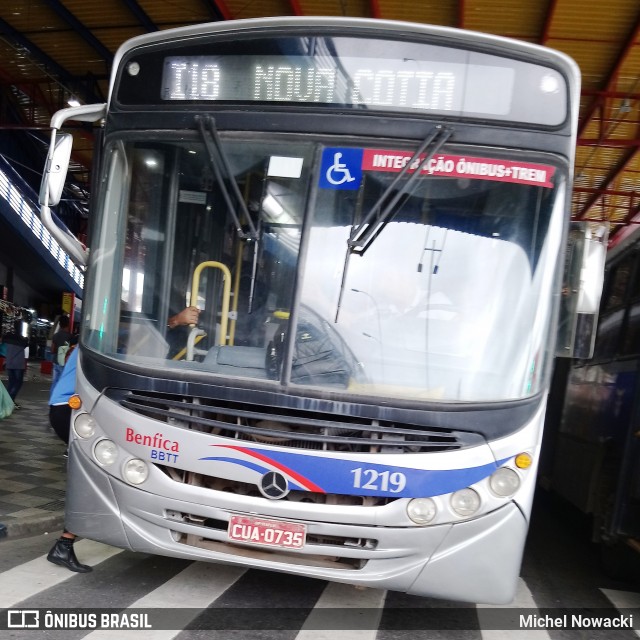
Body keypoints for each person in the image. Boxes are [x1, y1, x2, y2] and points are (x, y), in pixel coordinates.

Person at [3, 324, 29, 409]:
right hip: (18, 365)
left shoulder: (8, 338)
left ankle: (8, 400)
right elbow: (26, 343)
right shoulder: (22, 340)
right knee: (18, 383)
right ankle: (10, 400)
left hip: (9, 363)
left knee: (11, 383)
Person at [51, 315, 75, 388]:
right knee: (62, 383)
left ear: (60, 324)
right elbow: (71, 351)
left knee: (55, 382)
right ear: (68, 324)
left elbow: (52, 350)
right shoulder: (70, 337)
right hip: (64, 363)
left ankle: (53, 397)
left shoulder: (55, 335)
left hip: (55, 362)